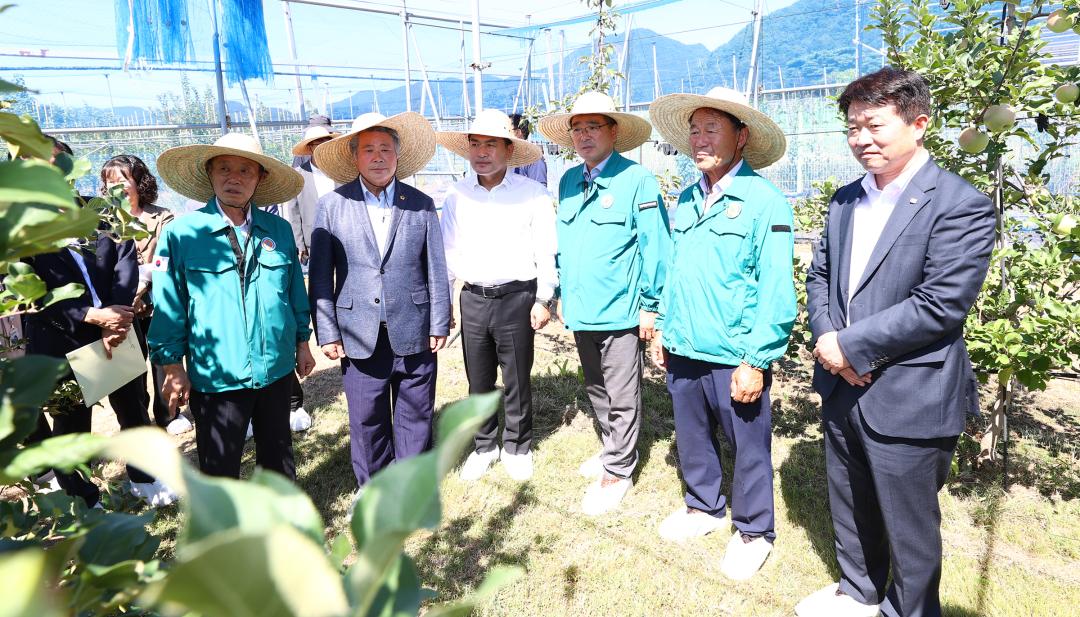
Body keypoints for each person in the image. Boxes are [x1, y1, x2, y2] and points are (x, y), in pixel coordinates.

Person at [797, 67, 995, 617]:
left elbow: (940, 304)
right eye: (853, 128)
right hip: (841, 384)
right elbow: (819, 277)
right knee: (851, 499)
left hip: (910, 392)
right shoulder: (844, 201)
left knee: (909, 526)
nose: (862, 139)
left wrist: (852, 347)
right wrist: (829, 341)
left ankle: (909, 610)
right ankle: (858, 590)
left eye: (875, 125)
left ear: (919, 123)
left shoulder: (959, 204)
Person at [648, 87, 795, 579]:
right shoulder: (688, 198)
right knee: (692, 436)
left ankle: (754, 531)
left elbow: (776, 287)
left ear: (741, 137)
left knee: (747, 445)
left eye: (712, 129)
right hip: (685, 343)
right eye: (695, 130)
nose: (700, 139)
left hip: (735, 351)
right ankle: (703, 506)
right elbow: (674, 269)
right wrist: (666, 329)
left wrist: (757, 358)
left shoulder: (763, 201)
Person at [151, 132, 315, 480]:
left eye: (245, 170)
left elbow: (294, 295)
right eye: (224, 168)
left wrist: (303, 341)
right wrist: (171, 365)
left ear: (260, 178)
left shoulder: (279, 230)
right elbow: (168, 304)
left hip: (275, 368)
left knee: (278, 458)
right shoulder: (182, 234)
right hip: (217, 376)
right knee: (220, 467)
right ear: (210, 174)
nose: (234, 177)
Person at [538, 91, 672, 515]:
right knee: (596, 386)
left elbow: (656, 248)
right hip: (581, 309)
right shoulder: (568, 181)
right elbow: (565, 246)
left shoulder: (636, 181)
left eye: (592, 127)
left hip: (620, 309)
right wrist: (560, 294)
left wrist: (652, 306)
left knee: (621, 389)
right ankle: (612, 446)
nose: (583, 136)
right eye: (577, 129)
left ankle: (619, 468)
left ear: (614, 131)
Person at [22, 142, 176, 508]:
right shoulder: (19, 231)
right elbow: (28, 291)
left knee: (134, 408)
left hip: (118, 332)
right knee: (72, 427)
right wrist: (90, 315)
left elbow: (124, 258)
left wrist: (116, 315)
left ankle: (145, 477)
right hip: (62, 340)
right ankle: (84, 501)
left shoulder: (100, 212)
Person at [308, 112, 449, 489]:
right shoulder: (332, 205)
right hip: (358, 330)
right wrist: (327, 331)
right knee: (366, 416)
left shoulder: (419, 203)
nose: (378, 157)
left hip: (414, 326)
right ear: (355, 157)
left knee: (415, 411)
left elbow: (435, 266)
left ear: (397, 156)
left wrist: (439, 322)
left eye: (386, 148)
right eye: (369, 149)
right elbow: (321, 276)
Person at [437, 109, 557, 482]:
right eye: (475, 144)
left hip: (517, 297)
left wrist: (544, 298)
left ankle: (518, 446)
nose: (482, 152)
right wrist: (446, 301)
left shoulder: (533, 194)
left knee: (518, 376)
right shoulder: (456, 194)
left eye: (490, 144)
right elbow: (448, 251)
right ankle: (484, 445)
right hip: (472, 297)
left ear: (509, 149)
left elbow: (545, 249)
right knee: (478, 378)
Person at [99, 155, 190, 435]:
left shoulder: (162, 216)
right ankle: (135, 420)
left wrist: (137, 287)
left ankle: (168, 414)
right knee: (128, 371)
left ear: (138, 182)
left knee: (163, 359)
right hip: (120, 309)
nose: (117, 187)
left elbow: (164, 260)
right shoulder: (101, 221)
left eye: (123, 179)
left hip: (156, 302)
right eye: (109, 181)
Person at [277, 124, 342, 433]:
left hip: (346, 240)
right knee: (319, 290)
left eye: (326, 141)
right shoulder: (300, 172)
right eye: (315, 142)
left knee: (344, 287)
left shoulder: (344, 167)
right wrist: (299, 243)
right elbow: (291, 210)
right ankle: (323, 329)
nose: (320, 146)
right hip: (317, 240)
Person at [509, 113, 548, 187]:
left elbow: (540, 189)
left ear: (518, 132)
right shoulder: (504, 157)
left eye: (507, 130)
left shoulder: (534, 159)